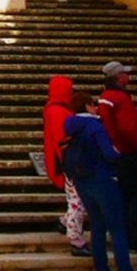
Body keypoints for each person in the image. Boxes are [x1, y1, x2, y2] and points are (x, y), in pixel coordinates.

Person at [62, 92, 137, 271]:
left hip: (82, 181)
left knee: (97, 227)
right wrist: (118, 155)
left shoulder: (71, 126)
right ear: (89, 105)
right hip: (103, 179)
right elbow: (109, 153)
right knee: (117, 228)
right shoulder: (95, 126)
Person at [98, 62, 137, 253]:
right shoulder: (120, 99)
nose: (128, 77)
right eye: (125, 74)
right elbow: (127, 127)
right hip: (130, 154)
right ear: (119, 77)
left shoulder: (105, 97)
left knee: (124, 199)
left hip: (118, 154)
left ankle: (124, 238)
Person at [43, 76, 89, 255]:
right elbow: (62, 137)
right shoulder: (57, 111)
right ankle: (75, 238)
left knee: (76, 200)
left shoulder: (56, 109)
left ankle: (66, 223)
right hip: (69, 161)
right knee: (77, 202)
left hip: (66, 160)